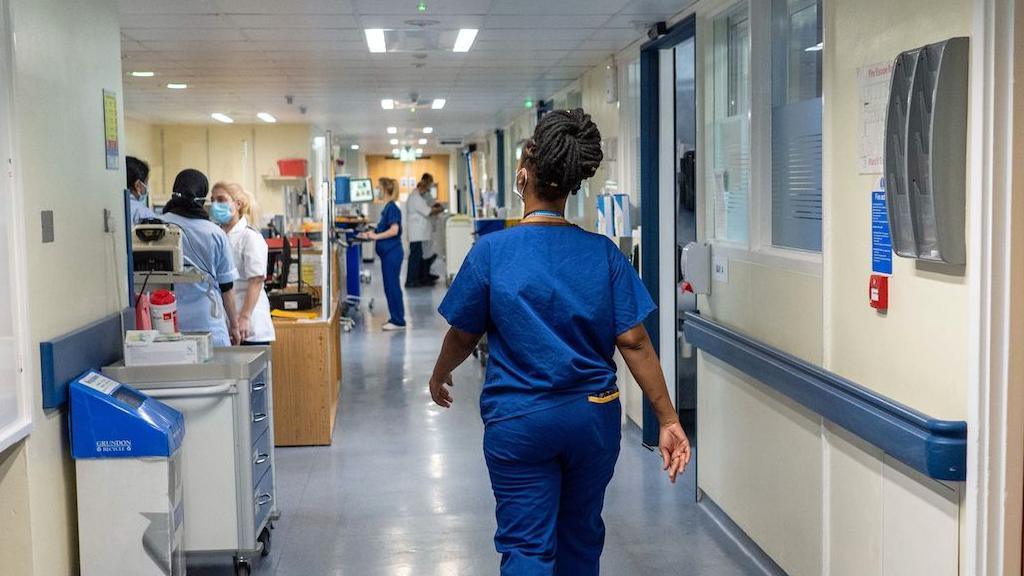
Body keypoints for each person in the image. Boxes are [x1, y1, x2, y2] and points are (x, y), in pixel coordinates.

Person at [429, 109, 691, 575]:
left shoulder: (492, 251)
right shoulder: (603, 254)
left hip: (520, 419)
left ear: (523, 176)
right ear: (571, 186)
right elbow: (634, 341)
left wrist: (439, 372)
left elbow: (464, 333)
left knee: (528, 547)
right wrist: (668, 418)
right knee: (580, 540)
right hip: (592, 417)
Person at [160, 169, 240, 347]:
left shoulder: (158, 226)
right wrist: (234, 326)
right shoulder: (214, 233)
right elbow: (226, 286)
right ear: (202, 197)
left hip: (165, 321)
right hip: (207, 321)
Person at [210, 182, 276, 346]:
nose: (215, 205)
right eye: (212, 200)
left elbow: (256, 280)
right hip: (227, 322)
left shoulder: (250, 237)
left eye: (221, 199)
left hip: (249, 322)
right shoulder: (217, 235)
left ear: (237, 204)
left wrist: (245, 317)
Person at [359, 178, 405, 331]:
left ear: (385, 189)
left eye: (378, 188)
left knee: (392, 287)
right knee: (390, 286)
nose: (377, 190)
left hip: (392, 253)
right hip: (389, 254)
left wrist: (375, 237)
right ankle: (396, 318)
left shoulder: (392, 208)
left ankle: (398, 321)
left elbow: (394, 230)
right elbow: (383, 227)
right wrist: (372, 232)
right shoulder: (387, 208)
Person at [405, 173, 443, 288]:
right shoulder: (415, 197)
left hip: (420, 233)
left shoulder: (419, 196)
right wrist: (439, 209)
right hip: (417, 234)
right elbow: (428, 211)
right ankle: (411, 281)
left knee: (419, 257)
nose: (427, 191)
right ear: (422, 187)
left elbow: (430, 206)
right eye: (426, 188)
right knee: (415, 258)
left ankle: (419, 278)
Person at [126, 156, 157, 225]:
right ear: (138, 185)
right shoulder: (144, 213)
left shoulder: (111, 207)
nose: (147, 187)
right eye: (146, 183)